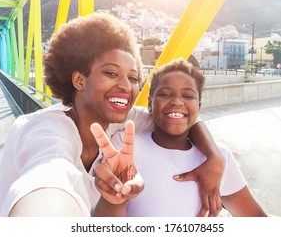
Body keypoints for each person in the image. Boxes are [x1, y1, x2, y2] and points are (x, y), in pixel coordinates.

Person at [0, 13, 224, 217]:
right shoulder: (46, 129)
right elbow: (48, 177)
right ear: (79, 79)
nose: (126, 86)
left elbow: (174, 116)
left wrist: (215, 157)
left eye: (133, 77)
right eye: (111, 73)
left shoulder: (121, 122)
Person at [97, 58, 267, 217]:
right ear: (150, 103)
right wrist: (115, 198)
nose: (177, 102)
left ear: (198, 106)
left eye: (188, 96)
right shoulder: (126, 146)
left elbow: (256, 220)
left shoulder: (220, 159)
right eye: (165, 94)